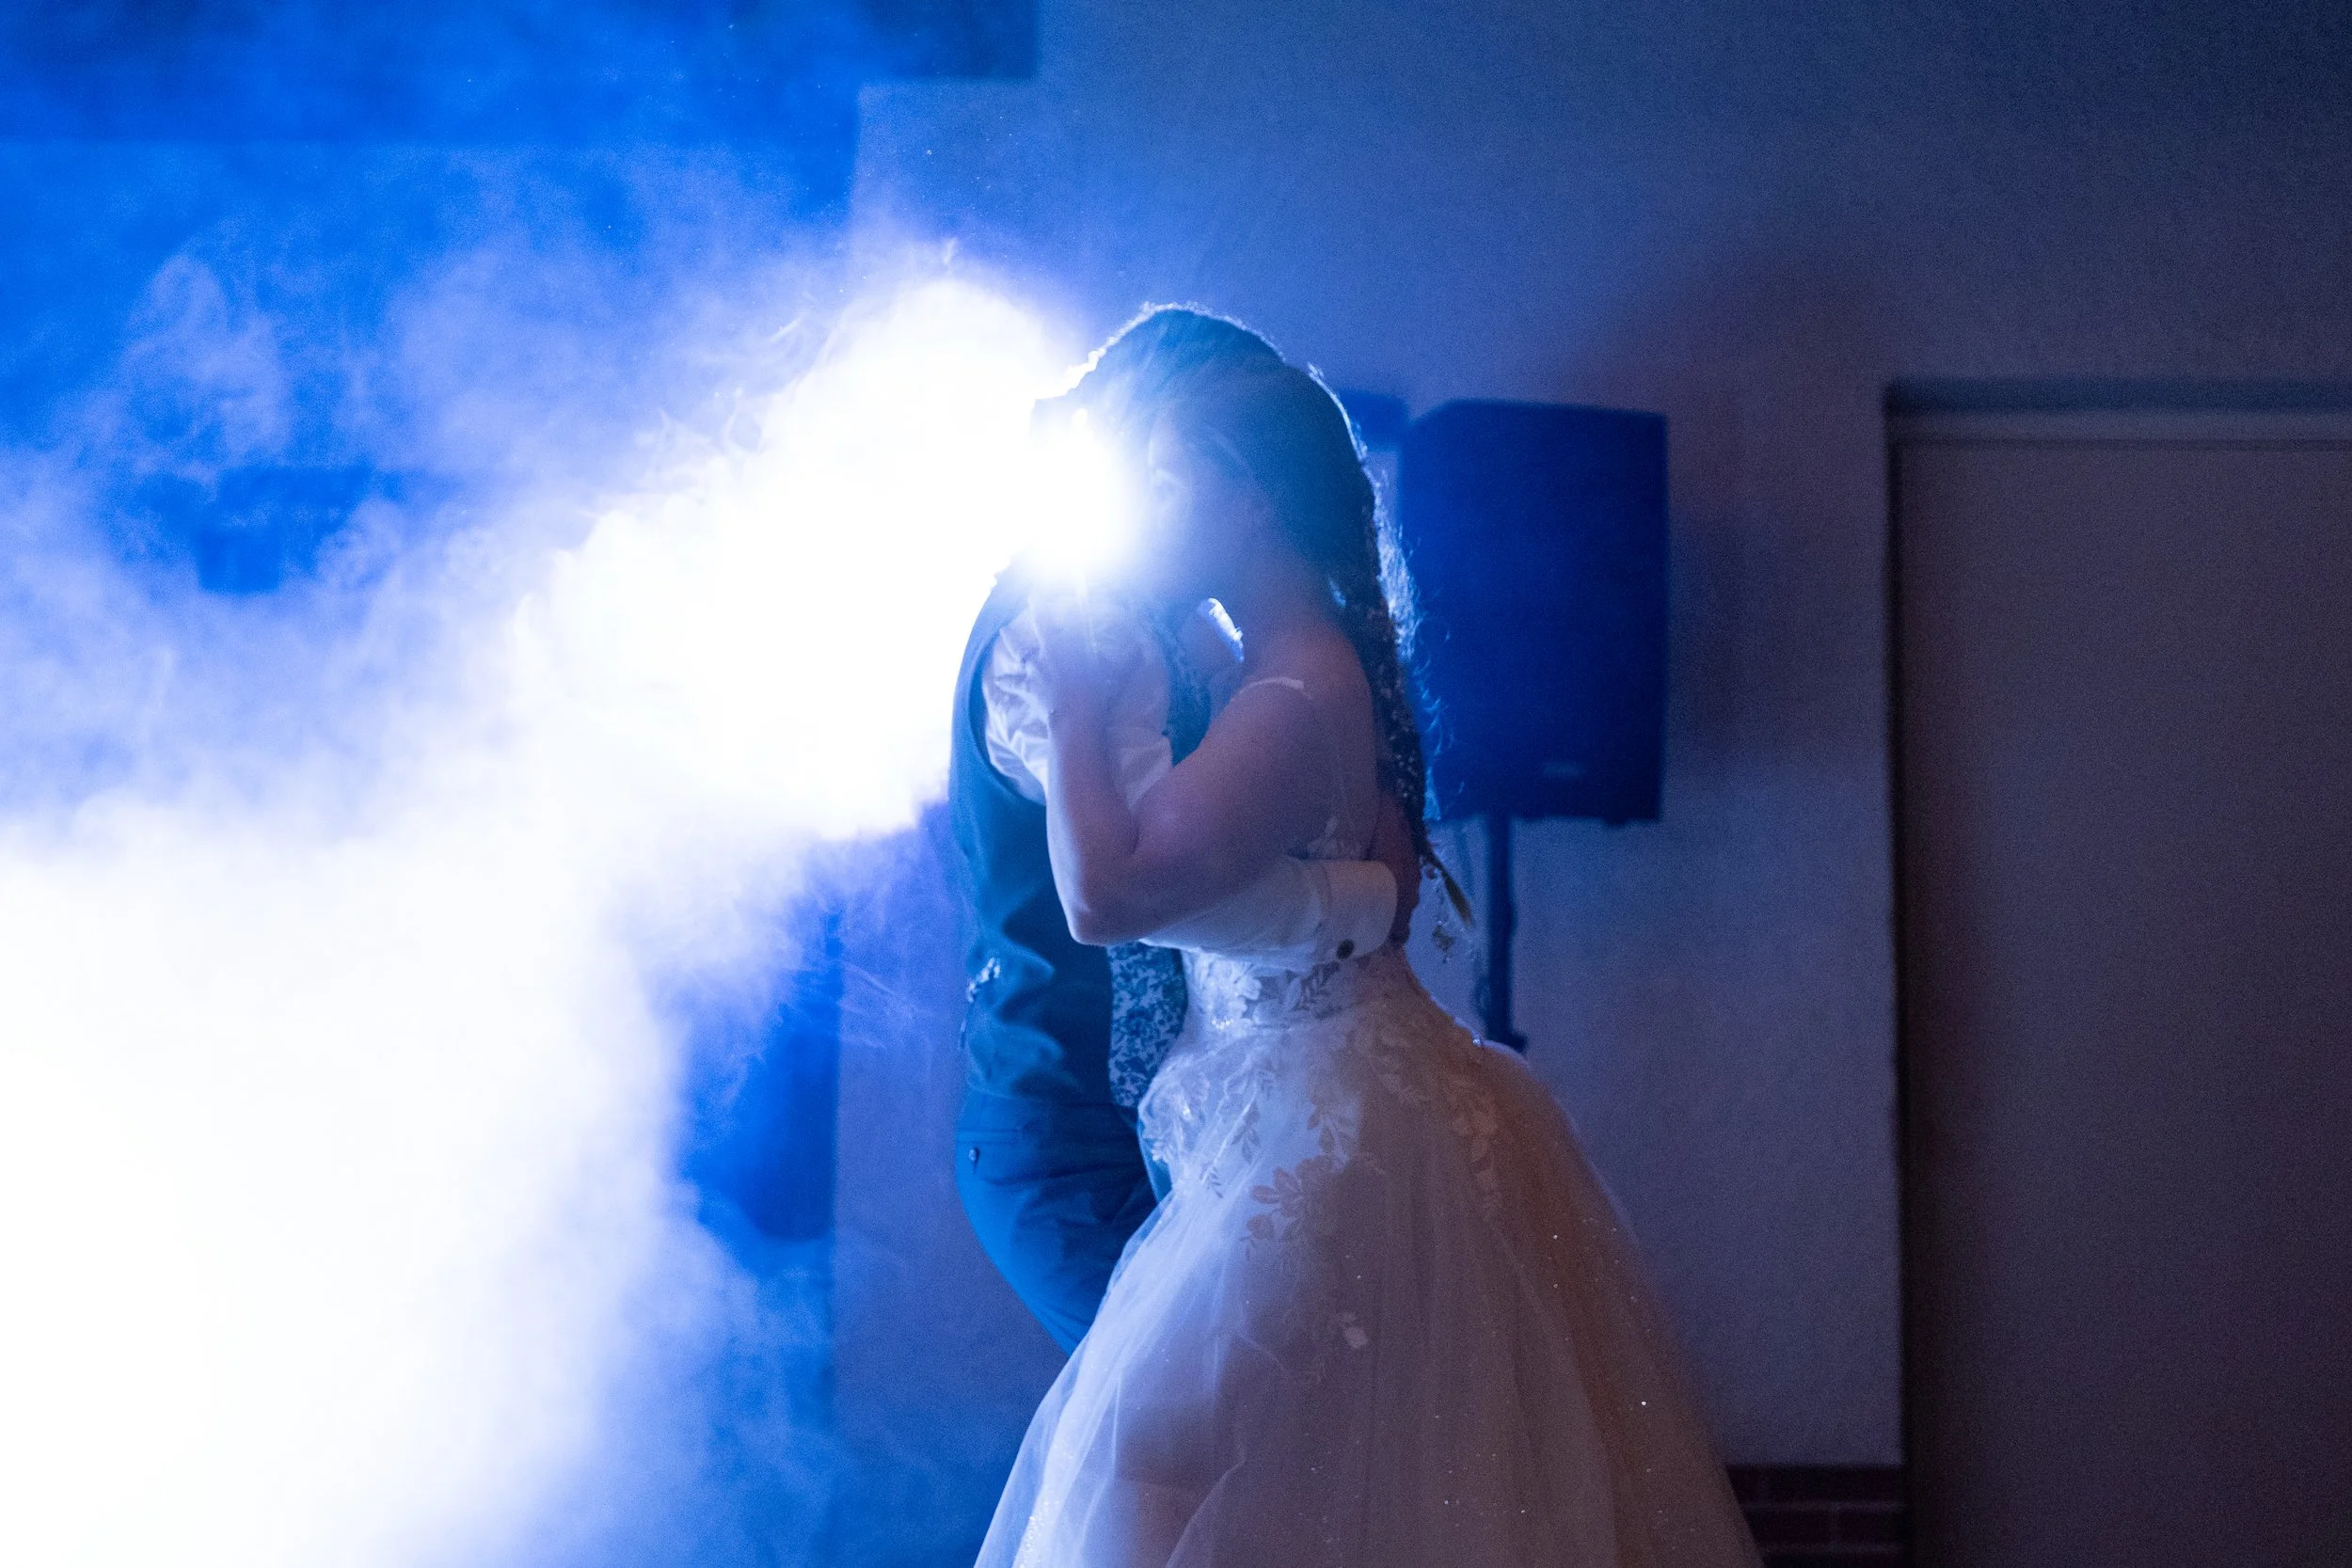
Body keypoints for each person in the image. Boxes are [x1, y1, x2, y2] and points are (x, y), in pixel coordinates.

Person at [974, 334, 1763, 1564]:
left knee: (1155, 1468)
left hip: (1327, 1134)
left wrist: (1072, 702)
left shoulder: (1291, 694)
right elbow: (1371, 893)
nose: (1150, 513)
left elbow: (1109, 893)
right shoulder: (1286, 672)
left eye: (1172, 481)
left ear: (1246, 493)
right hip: (1326, 1104)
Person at [947, 309, 1421, 1352]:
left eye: (1180, 475)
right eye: (1155, 469)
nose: (1159, 501)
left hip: (1192, 1115)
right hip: (1081, 1125)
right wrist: (1373, 899)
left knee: (1235, 1467)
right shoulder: (1075, 627)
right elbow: (1126, 896)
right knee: (1187, 1463)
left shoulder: (1193, 625)